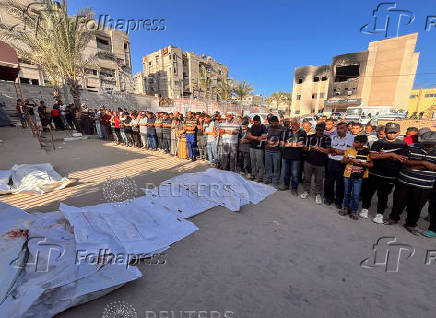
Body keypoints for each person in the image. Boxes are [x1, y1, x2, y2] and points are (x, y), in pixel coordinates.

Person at [384, 131, 436, 235]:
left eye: (431, 143)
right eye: (426, 142)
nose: (428, 145)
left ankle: (411, 224)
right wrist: (425, 163)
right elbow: (404, 162)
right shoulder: (412, 147)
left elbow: (434, 168)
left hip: (424, 185)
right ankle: (393, 218)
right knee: (398, 202)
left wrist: (412, 165)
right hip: (405, 181)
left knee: (417, 206)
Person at [360, 123, 408, 223]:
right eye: (389, 132)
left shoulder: (403, 145)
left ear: (398, 132)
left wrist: (383, 155)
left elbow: (402, 160)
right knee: (368, 193)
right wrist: (392, 155)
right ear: (385, 132)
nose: (391, 134)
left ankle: (379, 214)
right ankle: (365, 208)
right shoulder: (378, 142)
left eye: (394, 132)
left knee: (383, 196)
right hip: (374, 173)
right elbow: (373, 156)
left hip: (390, 176)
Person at [339, 135, 373, 219]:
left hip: (359, 177)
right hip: (348, 175)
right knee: (347, 193)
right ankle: (346, 208)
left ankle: (354, 210)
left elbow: (371, 164)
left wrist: (361, 162)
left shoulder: (367, 152)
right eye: (354, 141)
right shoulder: (350, 149)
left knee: (356, 195)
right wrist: (349, 160)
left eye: (356, 142)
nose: (354, 143)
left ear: (363, 143)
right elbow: (342, 161)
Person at [324, 122, 354, 209]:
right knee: (329, 181)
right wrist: (334, 150)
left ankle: (339, 201)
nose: (339, 130)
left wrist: (338, 151)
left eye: (342, 128)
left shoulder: (351, 138)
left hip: (342, 163)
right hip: (331, 161)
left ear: (346, 129)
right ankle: (329, 198)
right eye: (338, 128)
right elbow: (328, 149)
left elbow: (352, 152)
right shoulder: (332, 137)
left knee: (340, 183)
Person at [300, 123, 331, 204]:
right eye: (317, 129)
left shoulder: (327, 138)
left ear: (323, 130)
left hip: (320, 163)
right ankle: (306, 191)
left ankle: (318, 194)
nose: (318, 131)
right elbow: (304, 148)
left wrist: (319, 149)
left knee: (319, 180)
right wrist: (309, 147)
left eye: (320, 130)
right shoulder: (310, 137)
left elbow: (328, 151)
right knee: (307, 178)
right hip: (308, 161)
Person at [280, 117, 306, 194]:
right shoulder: (287, 132)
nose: (292, 125)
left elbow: (301, 144)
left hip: (296, 157)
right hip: (286, 156)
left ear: (299, 124)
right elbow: (281, 142)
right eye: (292, 124)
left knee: (295, 174)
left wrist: (289, 144)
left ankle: (294, 188)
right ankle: (286, 185)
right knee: (285, 172)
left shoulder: (302, 133)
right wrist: (294, 144)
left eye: (294, 124)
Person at [264, 116, 283, 188]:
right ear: (270, 122)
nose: (274, 123)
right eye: (273, 122)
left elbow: (283, 139)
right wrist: (267, 140)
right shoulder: (267, 128)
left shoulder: (281, 128)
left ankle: (276, 181)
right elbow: (264, 137)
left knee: (276, 167)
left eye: (276, 122)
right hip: (268, 150)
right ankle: (268, 178)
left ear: (278, 121)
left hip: (277, 151)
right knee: (268, 166)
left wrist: (277, 143)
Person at [248, 115, 267, 182]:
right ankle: (253, 174)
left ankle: (260, 176)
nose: (256, 123)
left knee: (259, 162)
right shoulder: (252, 126)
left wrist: (257, 137)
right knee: (253, 161)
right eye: (255, 122)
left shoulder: (263, 126)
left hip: (259, 148)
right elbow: (249, 135)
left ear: (260, 121)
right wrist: (256, 138)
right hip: (252, 146)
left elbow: (264, 136)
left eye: (257, 122)